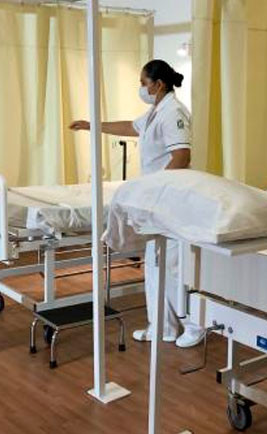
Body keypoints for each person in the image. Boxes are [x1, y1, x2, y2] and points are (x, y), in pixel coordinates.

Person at [69, 59, 206, 349]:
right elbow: (131, 127)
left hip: (169, 200)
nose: (141, 88)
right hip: (157, 201)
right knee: (155, 266)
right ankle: (163, 327)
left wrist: (153, 189)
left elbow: (182, 156)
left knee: (175, 267)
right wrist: (92, 126)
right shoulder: (157, 110)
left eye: (143, 83)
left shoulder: (173, 112)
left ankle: (195, 325)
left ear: (159, 84)